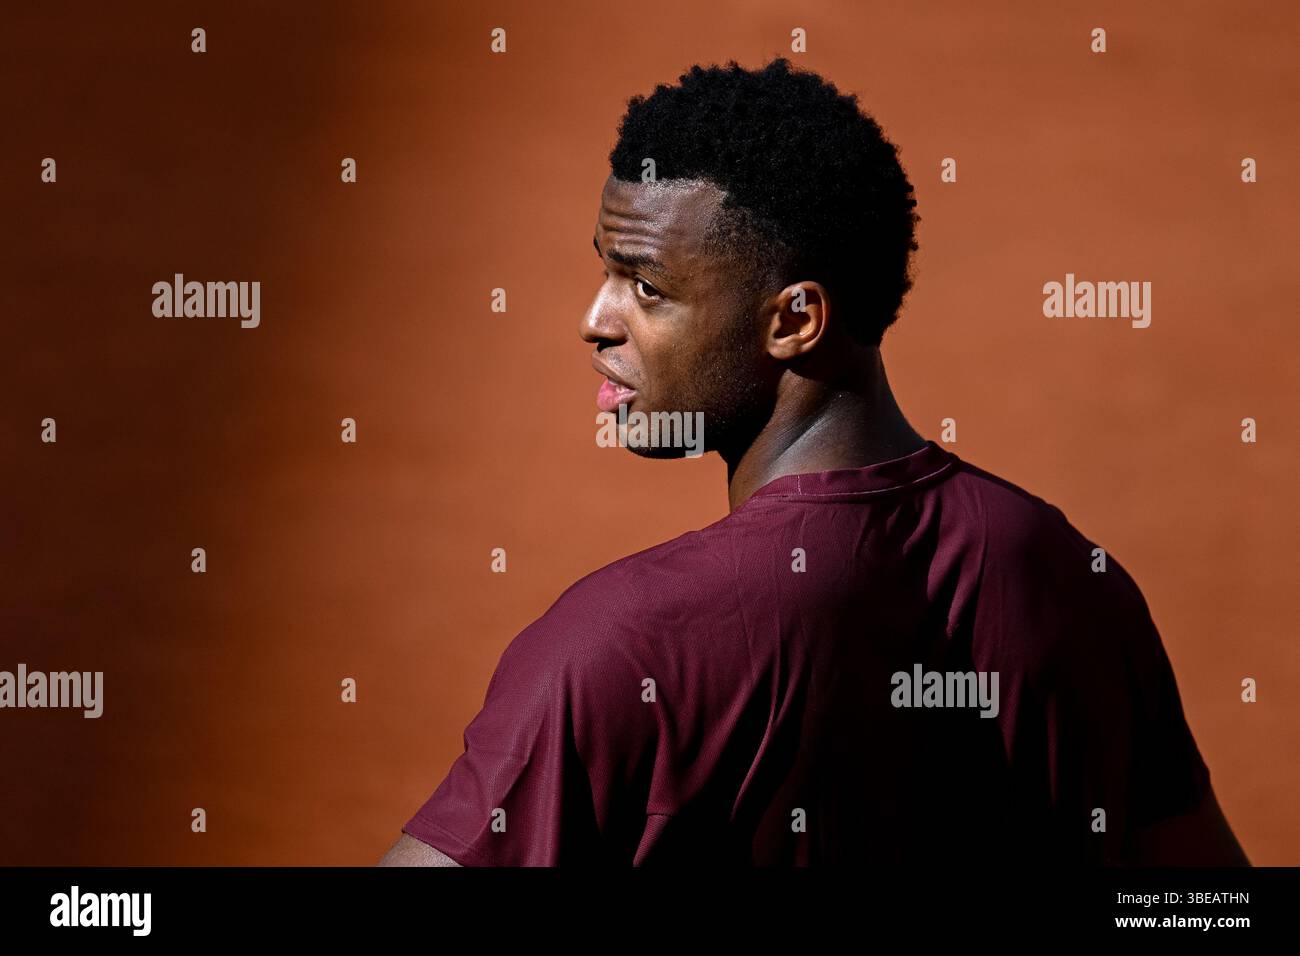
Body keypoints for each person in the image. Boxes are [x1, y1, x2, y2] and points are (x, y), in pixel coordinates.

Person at [380, 58, 1247, 866]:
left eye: (646, 287)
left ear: (795, 320)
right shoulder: (1075, 577)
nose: (595, 320)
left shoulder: (614, 649)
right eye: (606, 274)